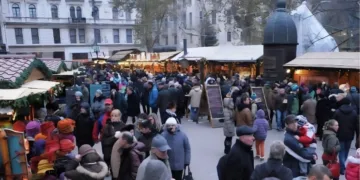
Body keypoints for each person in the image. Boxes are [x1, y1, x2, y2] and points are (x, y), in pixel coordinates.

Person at [333, 97, 359, 174]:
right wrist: (358, 135)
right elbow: (357, 125)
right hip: (350, 135)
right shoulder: (354, 113)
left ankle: (342, 167)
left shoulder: (337, 112)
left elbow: (333, 122)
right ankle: (343, 165)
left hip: (339, 134)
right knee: (346, 150)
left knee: (341, 151)